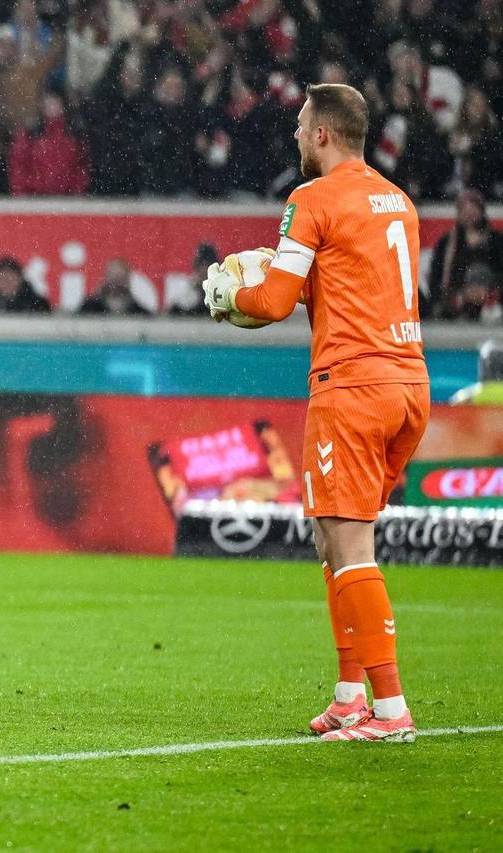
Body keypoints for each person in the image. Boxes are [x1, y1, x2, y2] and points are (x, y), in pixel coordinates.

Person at [204, 83, 429, 742]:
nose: (297, 135)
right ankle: (349, 695)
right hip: (407, 384)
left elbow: (273, 302)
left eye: (302, 126)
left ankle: (391, 710)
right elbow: (351, 286)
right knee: (332, 540)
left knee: (350, 547)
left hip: (351, 387)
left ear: (324, 134)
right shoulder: (398, 200)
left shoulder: (312, 198)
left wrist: (231, 295)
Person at [425, 189, 503, 320]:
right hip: (456, 306)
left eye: (473, 211)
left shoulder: (497, 241)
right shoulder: (447, 242)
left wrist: (490, 292)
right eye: (465, 212)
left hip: (493, 306)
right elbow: (437, 278)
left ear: (482, 212)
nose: (469, 216)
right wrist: (462, 295)